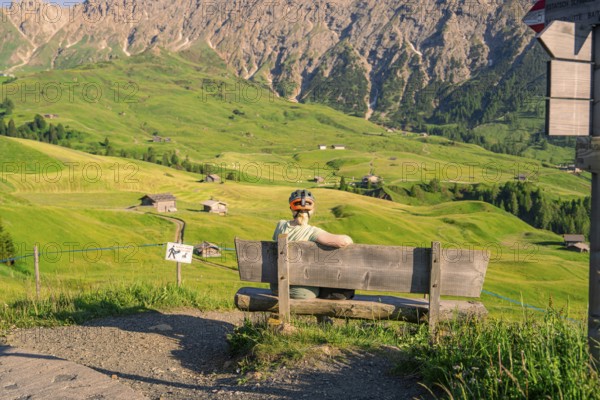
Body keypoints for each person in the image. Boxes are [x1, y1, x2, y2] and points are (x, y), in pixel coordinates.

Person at [270, 189, 354, 300]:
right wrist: (349, 239)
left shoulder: (280, 225)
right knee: (341, 290)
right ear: (312, 210)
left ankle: (323, 318)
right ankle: (324, 317)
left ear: (292, 208)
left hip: (277, 288)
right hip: (302, 292)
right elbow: (343, 241)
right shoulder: (312, 232)